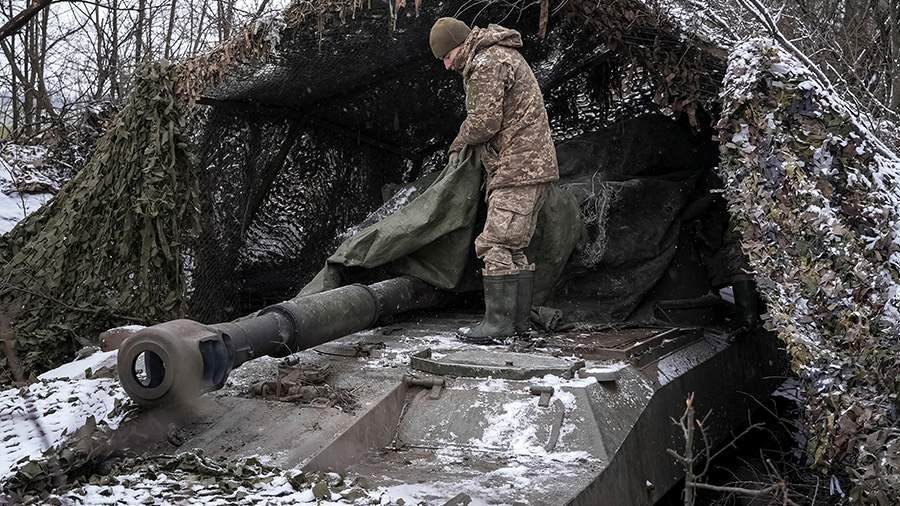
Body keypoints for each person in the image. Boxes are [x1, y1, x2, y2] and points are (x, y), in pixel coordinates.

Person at [429, 17, 559, 341]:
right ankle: (516, 326)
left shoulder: (486, 61)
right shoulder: (499, 54)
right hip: (530, 166)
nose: (446, 66)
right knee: (514, 247)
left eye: (445, 57)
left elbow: (485, 122)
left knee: (496, 243)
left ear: (457, 46)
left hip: (518, 167)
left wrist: (459, 139)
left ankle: (498, 326)